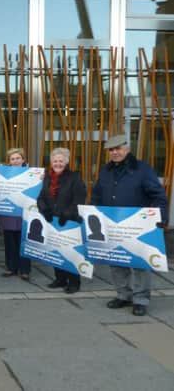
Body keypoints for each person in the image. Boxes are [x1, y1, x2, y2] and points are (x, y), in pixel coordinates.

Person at [92, 134, 168, 316]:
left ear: (127, 149)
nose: (115, 152)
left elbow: (158, 195)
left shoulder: (142, 170)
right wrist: (92, 214)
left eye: (118, 148)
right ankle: (123, 295)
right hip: (111, 224)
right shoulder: (106, 170)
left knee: (139, 263)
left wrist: (161, 218)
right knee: (117, 261)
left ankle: (141, 299)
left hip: (136, 226)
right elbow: (97, 193)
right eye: (111, 150)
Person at [37, 147, 86, 294]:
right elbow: (41, 197)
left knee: (69, 252)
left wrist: (67, 214)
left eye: (61, 160)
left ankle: (74, 282)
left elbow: (79, 199)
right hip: (52, 220)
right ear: (51, 162)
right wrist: (44, 211)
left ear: (66, 162)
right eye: (55, 161)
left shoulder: (75, 178)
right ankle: (60, 279)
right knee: (56, 251)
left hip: (69, 221)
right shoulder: (47, 177)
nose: (58, 163)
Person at [0, 148, 31, 280]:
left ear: (23, 159)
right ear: (9, 161)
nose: (15, 161)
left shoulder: (31, 174)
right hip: (8, 213)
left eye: (18, 158)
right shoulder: (4, 174)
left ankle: (25, 270)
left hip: (24, 213)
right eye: (12, 159)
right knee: (9, 242)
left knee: (23, 242)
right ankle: (11, 267)